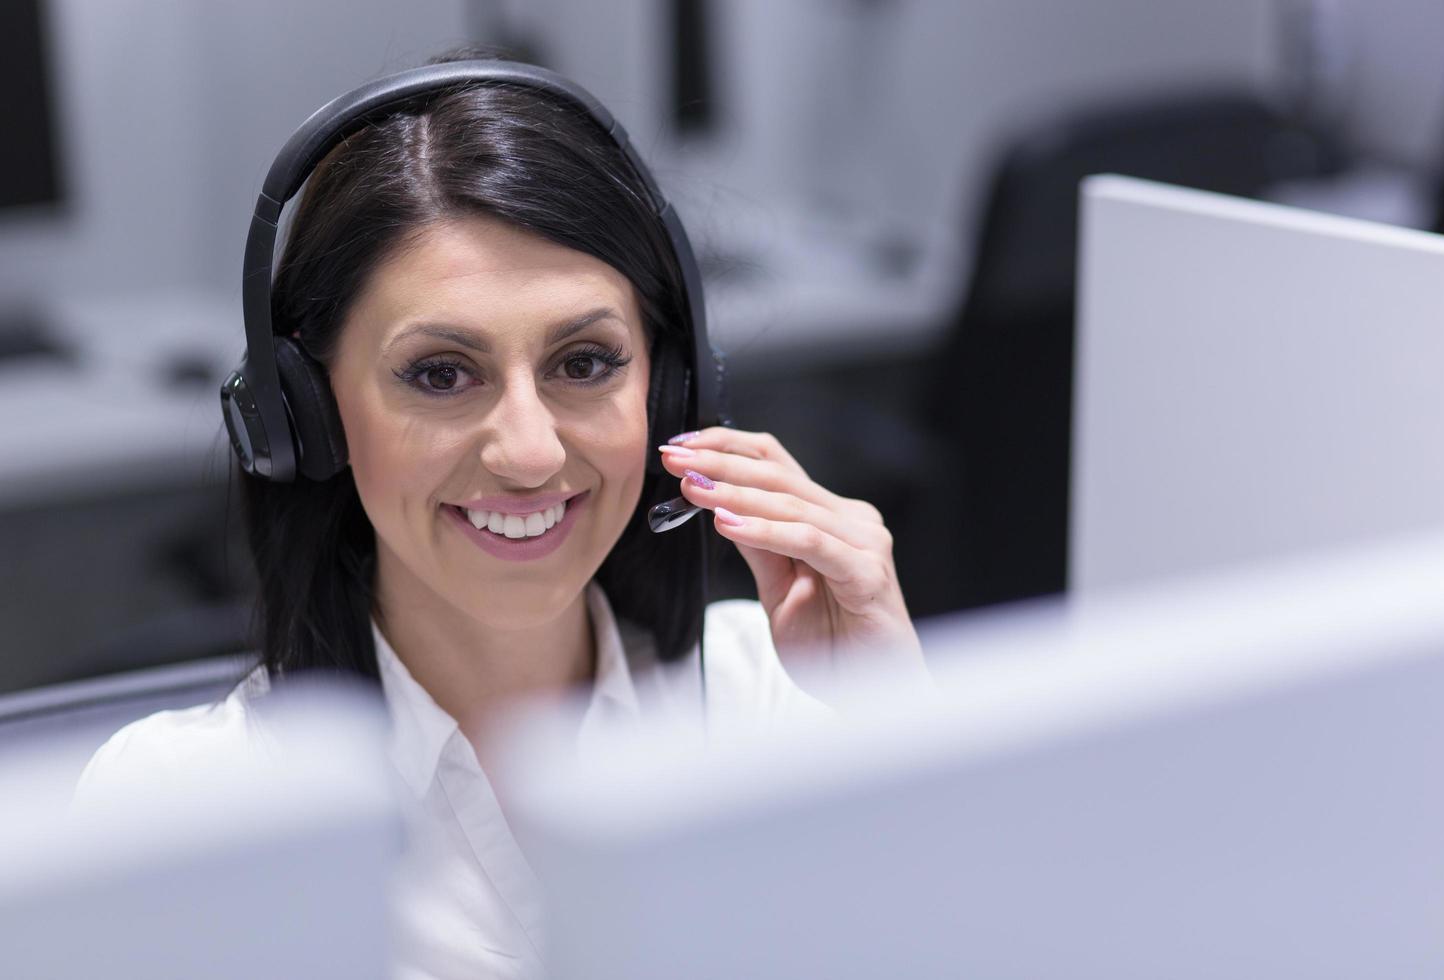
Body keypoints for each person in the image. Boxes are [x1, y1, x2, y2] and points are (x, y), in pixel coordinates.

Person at [76, 51, 926, 979]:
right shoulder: (182, 813)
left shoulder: (775, 698)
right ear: (308, 417)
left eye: (586, 362)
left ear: (672, 390)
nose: (528, 452)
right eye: (440, 374)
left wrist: (899, 741)